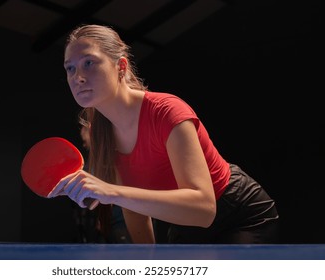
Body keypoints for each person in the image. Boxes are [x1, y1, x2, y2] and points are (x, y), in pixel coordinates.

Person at [49, 24, 279, 244]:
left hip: (239, 215)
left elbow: (204, 210)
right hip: (185, 225)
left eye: (89, 62)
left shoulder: (167, 112)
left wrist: (111, 192)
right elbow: (134, 210)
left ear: (120, 66)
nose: (77, 77)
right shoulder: (101, 132)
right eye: (70, 68)